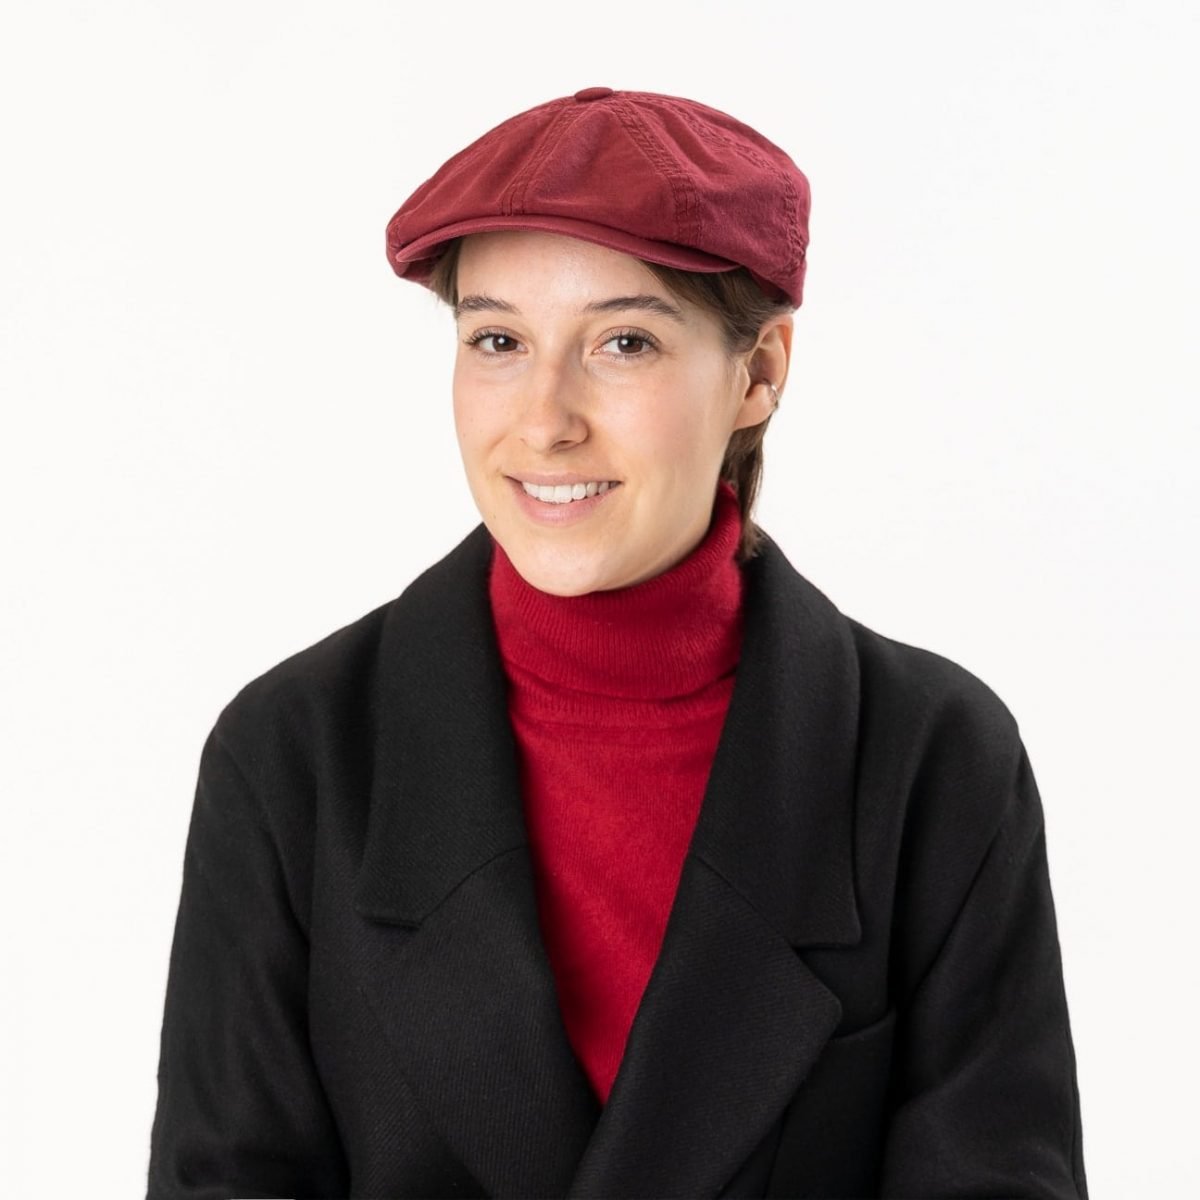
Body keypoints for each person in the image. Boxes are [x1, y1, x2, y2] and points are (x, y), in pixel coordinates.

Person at [145, 87, 1087, 1199]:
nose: (544, 418)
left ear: (761, 371)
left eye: (624, 342)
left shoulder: (932, 759)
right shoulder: (294, 755)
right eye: (497, 339)